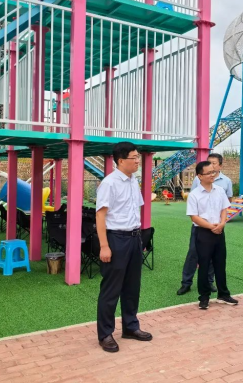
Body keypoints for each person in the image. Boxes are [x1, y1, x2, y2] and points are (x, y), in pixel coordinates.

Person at [96, 142, 152, 353]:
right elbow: (100, 215)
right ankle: (105, 334)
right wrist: (104, 246)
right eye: (134, 157)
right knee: (111, 289)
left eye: (138, 157)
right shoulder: (109, 183)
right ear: (121, 160)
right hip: (116, 239)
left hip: (134, 238)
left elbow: (134, 209)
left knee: (132, 287)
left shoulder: (133, 180)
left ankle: (130, 327)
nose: (138, 161)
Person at [177, 153, 233, 296]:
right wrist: (209, 226)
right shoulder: (198, 181)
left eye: (214, 163)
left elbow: (227, 203)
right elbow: (194, 207)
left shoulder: (225, 182)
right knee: (193, 253)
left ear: (220, 165)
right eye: (209, 163)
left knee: (214, 257)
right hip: (201, 228)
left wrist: (221, 223)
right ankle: (186, 282)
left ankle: (209, 282)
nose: (211, 166)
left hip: (218, 227)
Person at [186, 160, 238, 309]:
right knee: (204, 265)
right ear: (199, 176)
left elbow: (224, 209)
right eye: (208, 173)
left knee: (220, 264)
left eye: (213, 172)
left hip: (219, 231)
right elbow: (194, 217)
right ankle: (204, 297)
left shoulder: (219, 190)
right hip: (203, 232)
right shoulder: (194, 195)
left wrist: (222, 223)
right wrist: (210, 227)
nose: (212, 175)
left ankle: (223, 294)